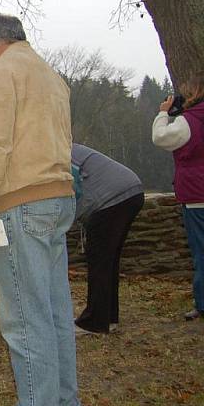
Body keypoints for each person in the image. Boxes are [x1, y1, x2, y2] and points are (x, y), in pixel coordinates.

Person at [0, 14, 79, 406]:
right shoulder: (51, 76)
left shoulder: (1, 72)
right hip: (58, 198)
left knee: (25, 322)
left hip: (22, 203)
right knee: (56, 314)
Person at [71, 143, 144, 335]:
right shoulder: (64, 144)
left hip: (110, 199)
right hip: (131, 190)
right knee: (109, 261)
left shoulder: (54, 151)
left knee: (100, 261)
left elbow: (71, 189)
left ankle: (94, 322)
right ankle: (108, 317)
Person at [151, 72, 204, 321]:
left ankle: (202, 303)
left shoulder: (189, 121)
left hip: (198, 195)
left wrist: (164, 113)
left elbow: (161, 137)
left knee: (201, 250)